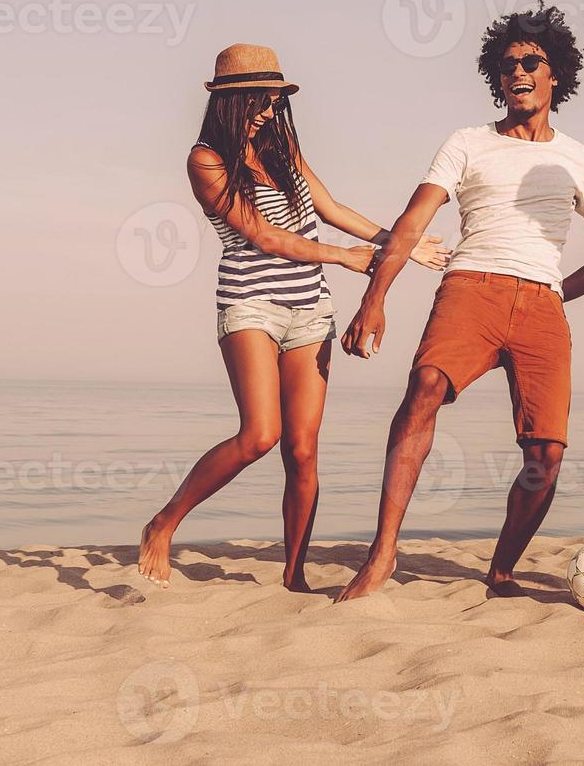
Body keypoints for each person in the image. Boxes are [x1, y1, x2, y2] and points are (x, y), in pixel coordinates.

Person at [334, 4, 584, 601]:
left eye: (531, 61)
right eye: (506, 63)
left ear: (556, 75)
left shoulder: (581, 159)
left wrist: (553, 296)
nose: (517, 71)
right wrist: (375, 297)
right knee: (424, 390)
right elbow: (412, 223)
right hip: (471, 287)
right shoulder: (466, 143)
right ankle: (383, 553)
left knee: (546, 454)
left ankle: (502, 571)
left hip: (543, 302)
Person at [137, 43, 449, 591]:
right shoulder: (205, 160)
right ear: (231, 101)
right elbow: (261, 234)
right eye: (260, 98)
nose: (269, 108)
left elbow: (329, 208)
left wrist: (401, 242)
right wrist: (345, 257)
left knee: (302, 450)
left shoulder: (281, 146)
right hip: (251, 303)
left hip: (310, 308)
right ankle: (163, 523)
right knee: (260, 435)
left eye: (275, 99)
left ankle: (293, 575)